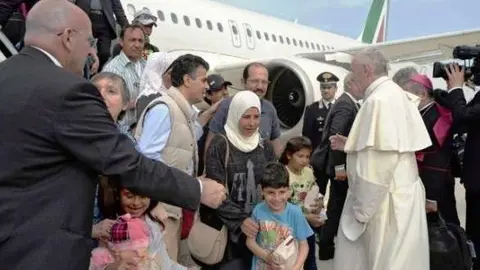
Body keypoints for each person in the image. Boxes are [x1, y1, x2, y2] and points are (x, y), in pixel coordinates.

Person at [0, 1, 225, 269]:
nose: (92, 53)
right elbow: (126, 164)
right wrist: (197, 189)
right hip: (41, 250)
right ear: (69, 38)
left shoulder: (6, 76)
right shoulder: (69, 91)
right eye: (89, 41)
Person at [330, 48, 431, 270]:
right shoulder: (393, 93)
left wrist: (360, 212)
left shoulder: (378, 101)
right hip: (400, 194)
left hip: (384, 203)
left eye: (353, 70)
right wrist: (351, 144)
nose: (351, 75)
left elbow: (375, 166)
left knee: (383, 261)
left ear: (366, 69)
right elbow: (383, 145)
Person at [200, 90, 277, 269]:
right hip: (227, 233)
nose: (252, 123)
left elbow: (274, 184)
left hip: (260, 229)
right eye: (246, 117)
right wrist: (241, 220)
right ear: (235, 115)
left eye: (256, 117)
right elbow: (214, 194)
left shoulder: (264, 146)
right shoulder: (220, 145)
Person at [311, 72, 362, 260]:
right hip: (336, 165)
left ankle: (326, 244)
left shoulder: (346, 102)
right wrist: (340, 169)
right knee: (335, 205)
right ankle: (326, 245)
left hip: (334, 163)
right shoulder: (346, 104)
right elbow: (335, 137)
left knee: (335, 204)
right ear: (352, 84)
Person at [246, 162, 313, 270]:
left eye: (282, 192)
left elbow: (304, 245)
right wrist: (267, 257)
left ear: (289, 191)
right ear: (262, 191)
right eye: (271, 192)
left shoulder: (295, 212)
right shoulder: (258, 210)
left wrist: (296, 267)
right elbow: (250, 242)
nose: (277, 198)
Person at [279, 136, 324, 270]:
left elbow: (315, 190)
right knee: (292, 260)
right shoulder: (282, 173)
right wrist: (306, 217)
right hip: (289, 228)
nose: (304, 160)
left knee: (310, 260)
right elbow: (281, 205)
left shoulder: (309, 171)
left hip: (307, 226)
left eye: (307, 156)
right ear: (289, 155)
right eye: (300, 156)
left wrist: (319, 203)